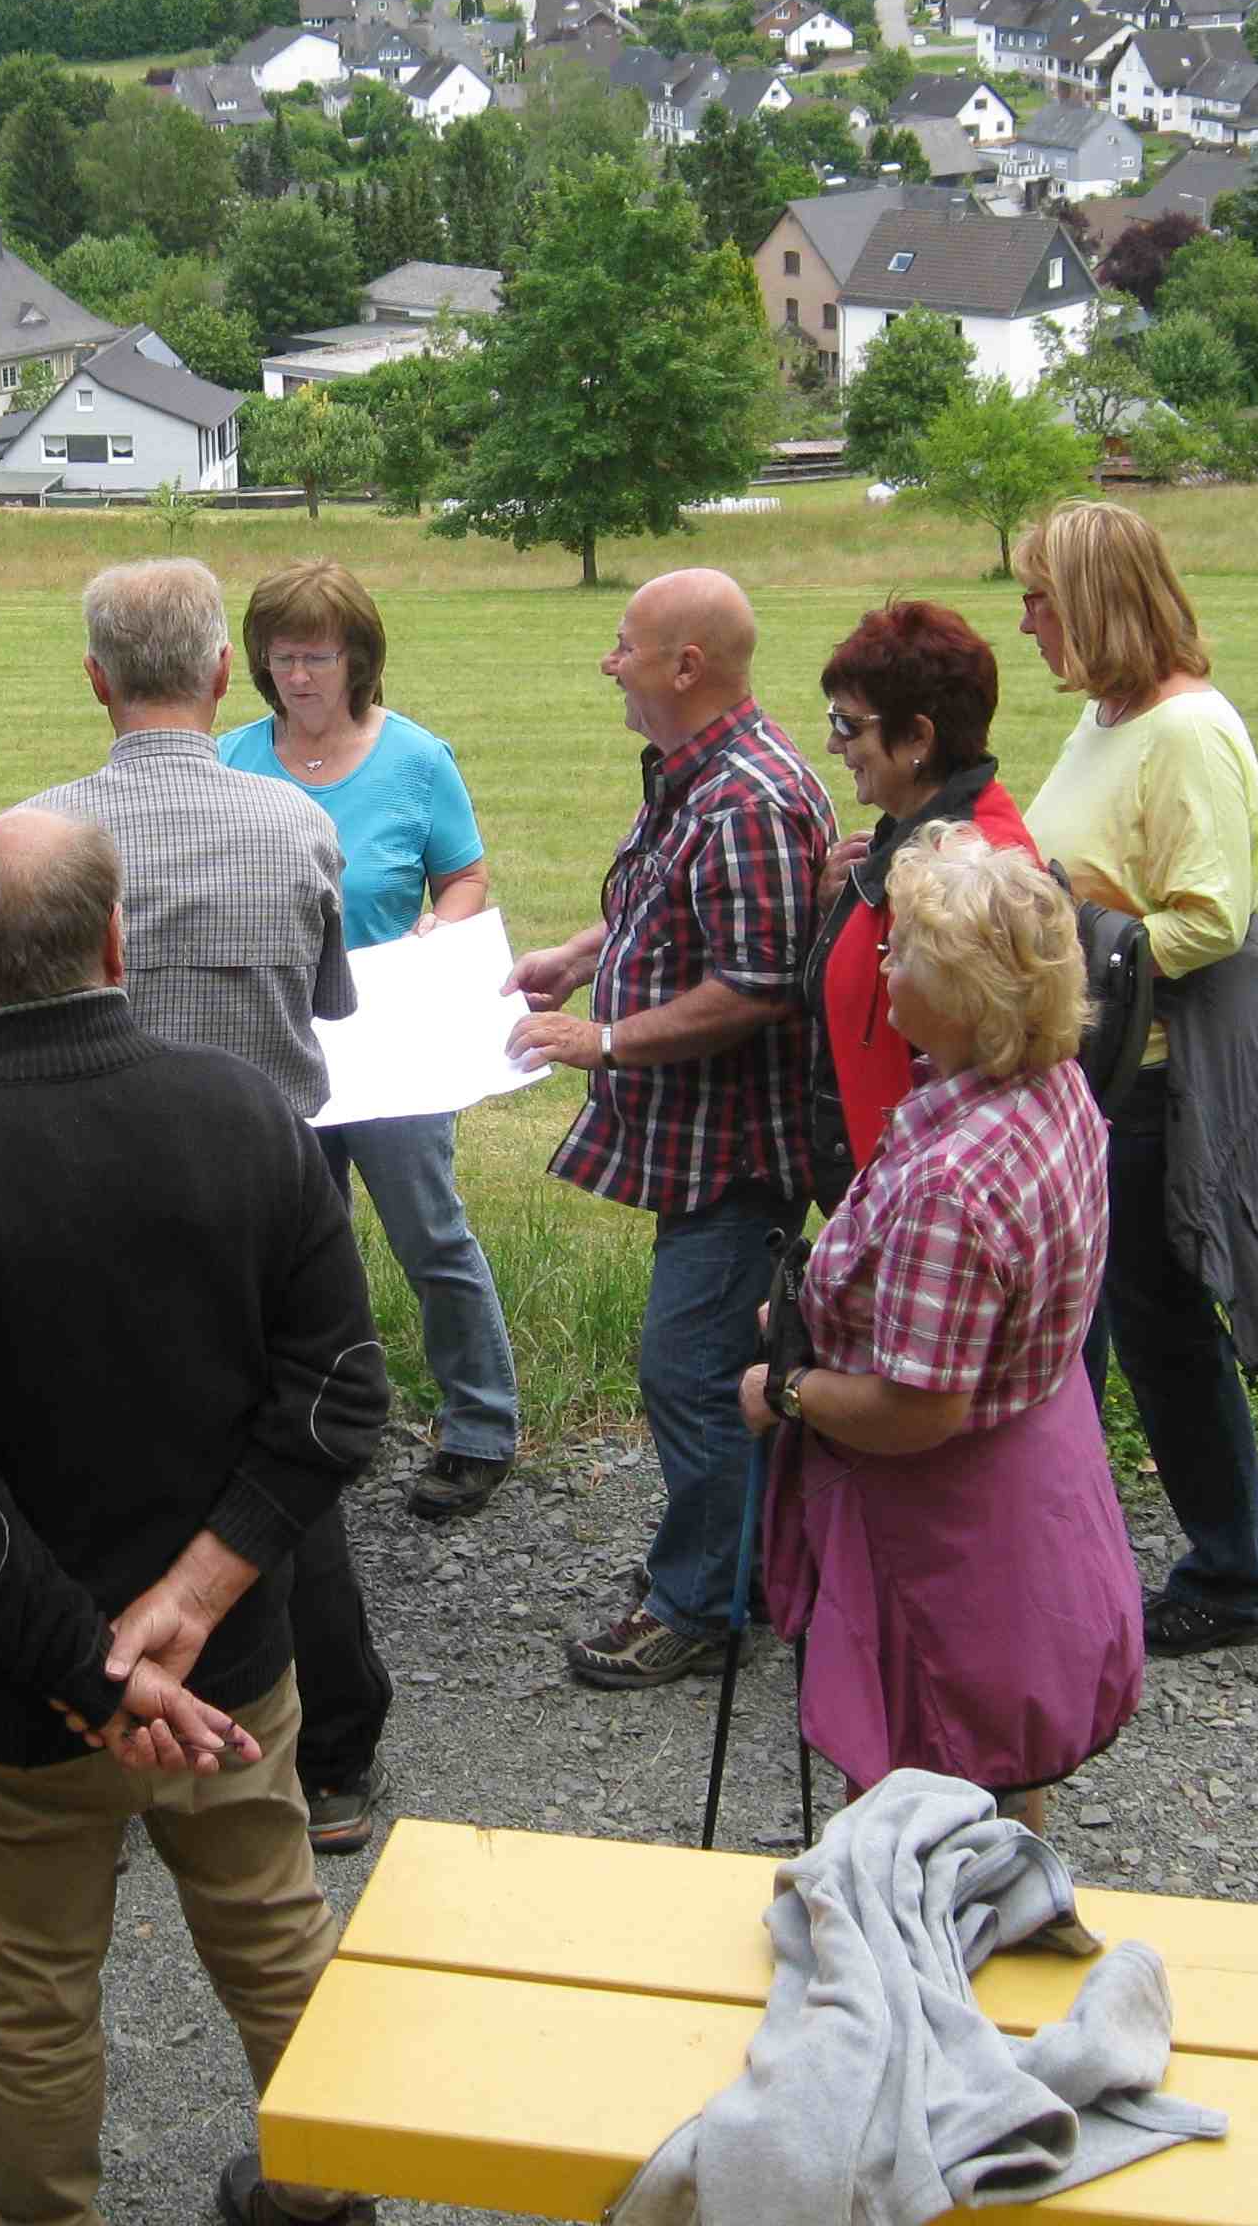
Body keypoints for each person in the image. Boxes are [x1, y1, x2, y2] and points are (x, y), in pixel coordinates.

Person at [0, 809, 390, 2226]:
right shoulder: (248, 1115)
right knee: (273, 1928)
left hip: (11, 1691)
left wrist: (94, 1669)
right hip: (230, 1678)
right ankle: (330, 2191)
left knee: (30, 1995)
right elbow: (338, 1396)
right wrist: (191, 1611)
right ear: (114, 942)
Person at [0, 558, 397, 1855]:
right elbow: (334, 1005)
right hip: (263, 1200)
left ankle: (82, 1718)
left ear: (94, 679)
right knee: (285, 1470)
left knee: (69, 1459)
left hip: (59, 1187)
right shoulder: (295, 825)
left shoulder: (41, 835)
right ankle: (330, 1756)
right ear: (224, 674)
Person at [741, 828, 1144, 1832]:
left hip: (946, 1530)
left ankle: (908, 1962)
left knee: (920, 1787)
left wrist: (782, 1392)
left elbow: (916, 1409)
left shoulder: (957, 1186)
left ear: (964, 994)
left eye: (904, 950)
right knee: (1000, 1762)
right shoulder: (1050, 1090)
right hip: (1031, 1484)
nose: (881, 961)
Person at [503, 569, 834, 1690]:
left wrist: (604, 1038)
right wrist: (575, 957)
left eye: (624, 644)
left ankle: (707, 1602)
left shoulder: (744, 800)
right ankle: (744, 1568)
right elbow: (667, 903)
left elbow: (755, 986)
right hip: (708, 1145)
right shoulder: (701, 777)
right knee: (705, 1364)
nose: (610, 663)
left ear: (686, 666)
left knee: (694, 1371)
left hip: (738, 1150)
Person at [1014, 501, 1258, 1660]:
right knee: (1112, 1328)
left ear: (1090, 604)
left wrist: (1066, 942)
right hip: (1093, 1072)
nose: (1025, 620)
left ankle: (1233, 1578)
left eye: (1039, 598)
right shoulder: (1108, 715)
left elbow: (1210, 917)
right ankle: (1079, 1561)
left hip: (1148, 1086)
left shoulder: (1184, 731)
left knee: (1159, 1330)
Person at [218, 559, 521, 1523]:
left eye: (318, 656)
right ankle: (319, 1423)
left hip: (391, 1041)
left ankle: (478, 1426)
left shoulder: (418, 760)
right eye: (282, 656)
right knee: (296, 1248)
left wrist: (445, 924)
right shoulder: (230, 758)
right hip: (275, 1042)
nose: (299, 675)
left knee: (429, 1232)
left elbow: (463, 875)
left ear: (359, 659)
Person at [806, 602, 1038, 1206]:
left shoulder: (975, 872)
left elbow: (989, 1078)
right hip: (889, 1192)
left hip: (929, 1207)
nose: (834, 743)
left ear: (917, 737)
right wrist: (842, 908)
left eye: (850, 724)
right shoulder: (912, 832)